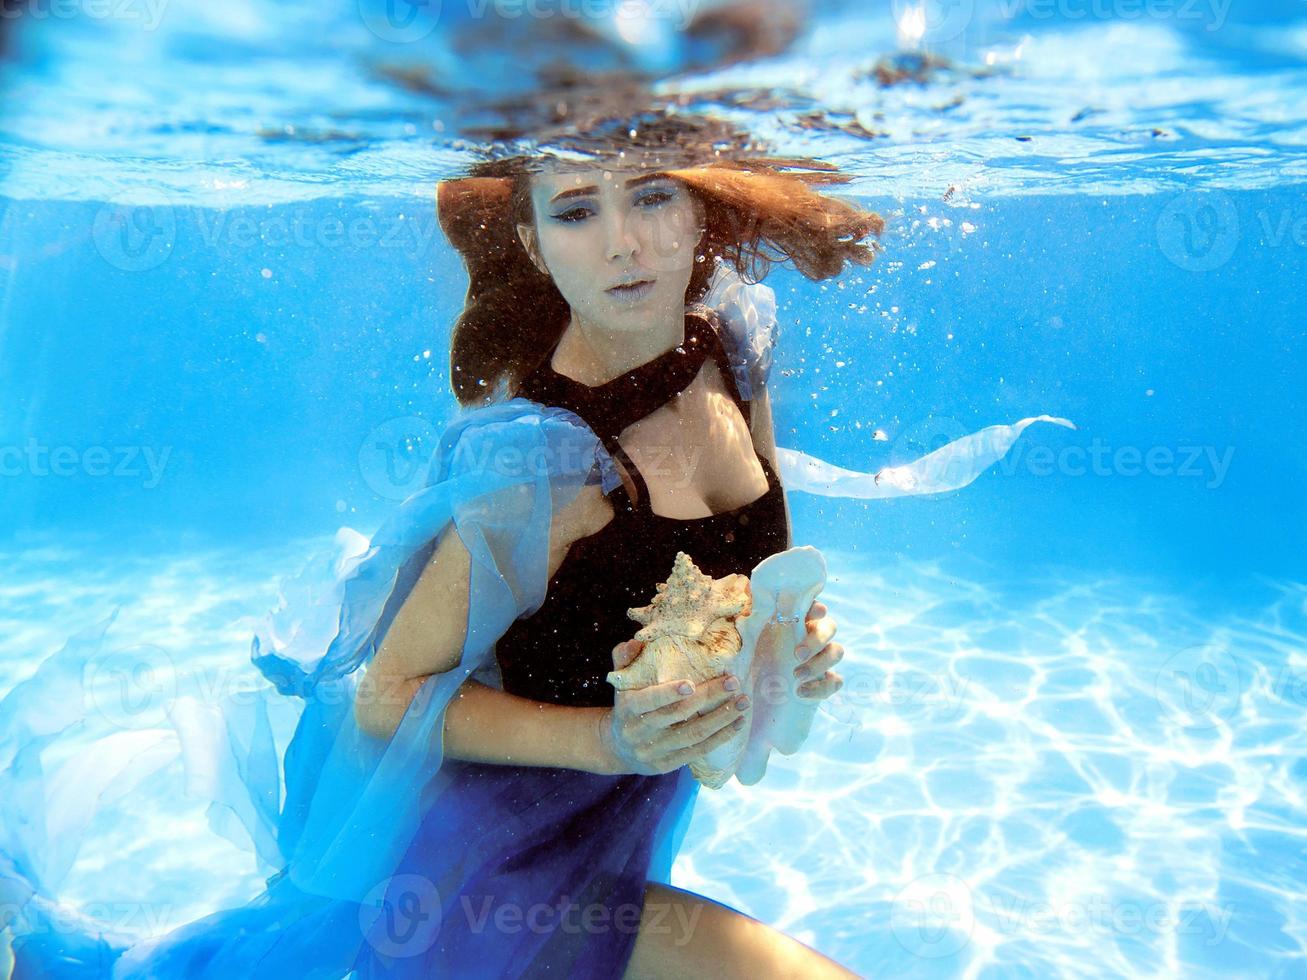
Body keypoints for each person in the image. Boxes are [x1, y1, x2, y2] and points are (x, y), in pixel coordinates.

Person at [0, 114, 1068, 978]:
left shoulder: (734, 344)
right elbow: (385, 693)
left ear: (701, 200)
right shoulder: (547, 468)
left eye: (652, 191)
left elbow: (743, 576)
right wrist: (611, 743)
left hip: (626, 820)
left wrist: (785, 643)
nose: (623, 242)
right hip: (488, 864)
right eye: (575, 210)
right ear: (530, 241)